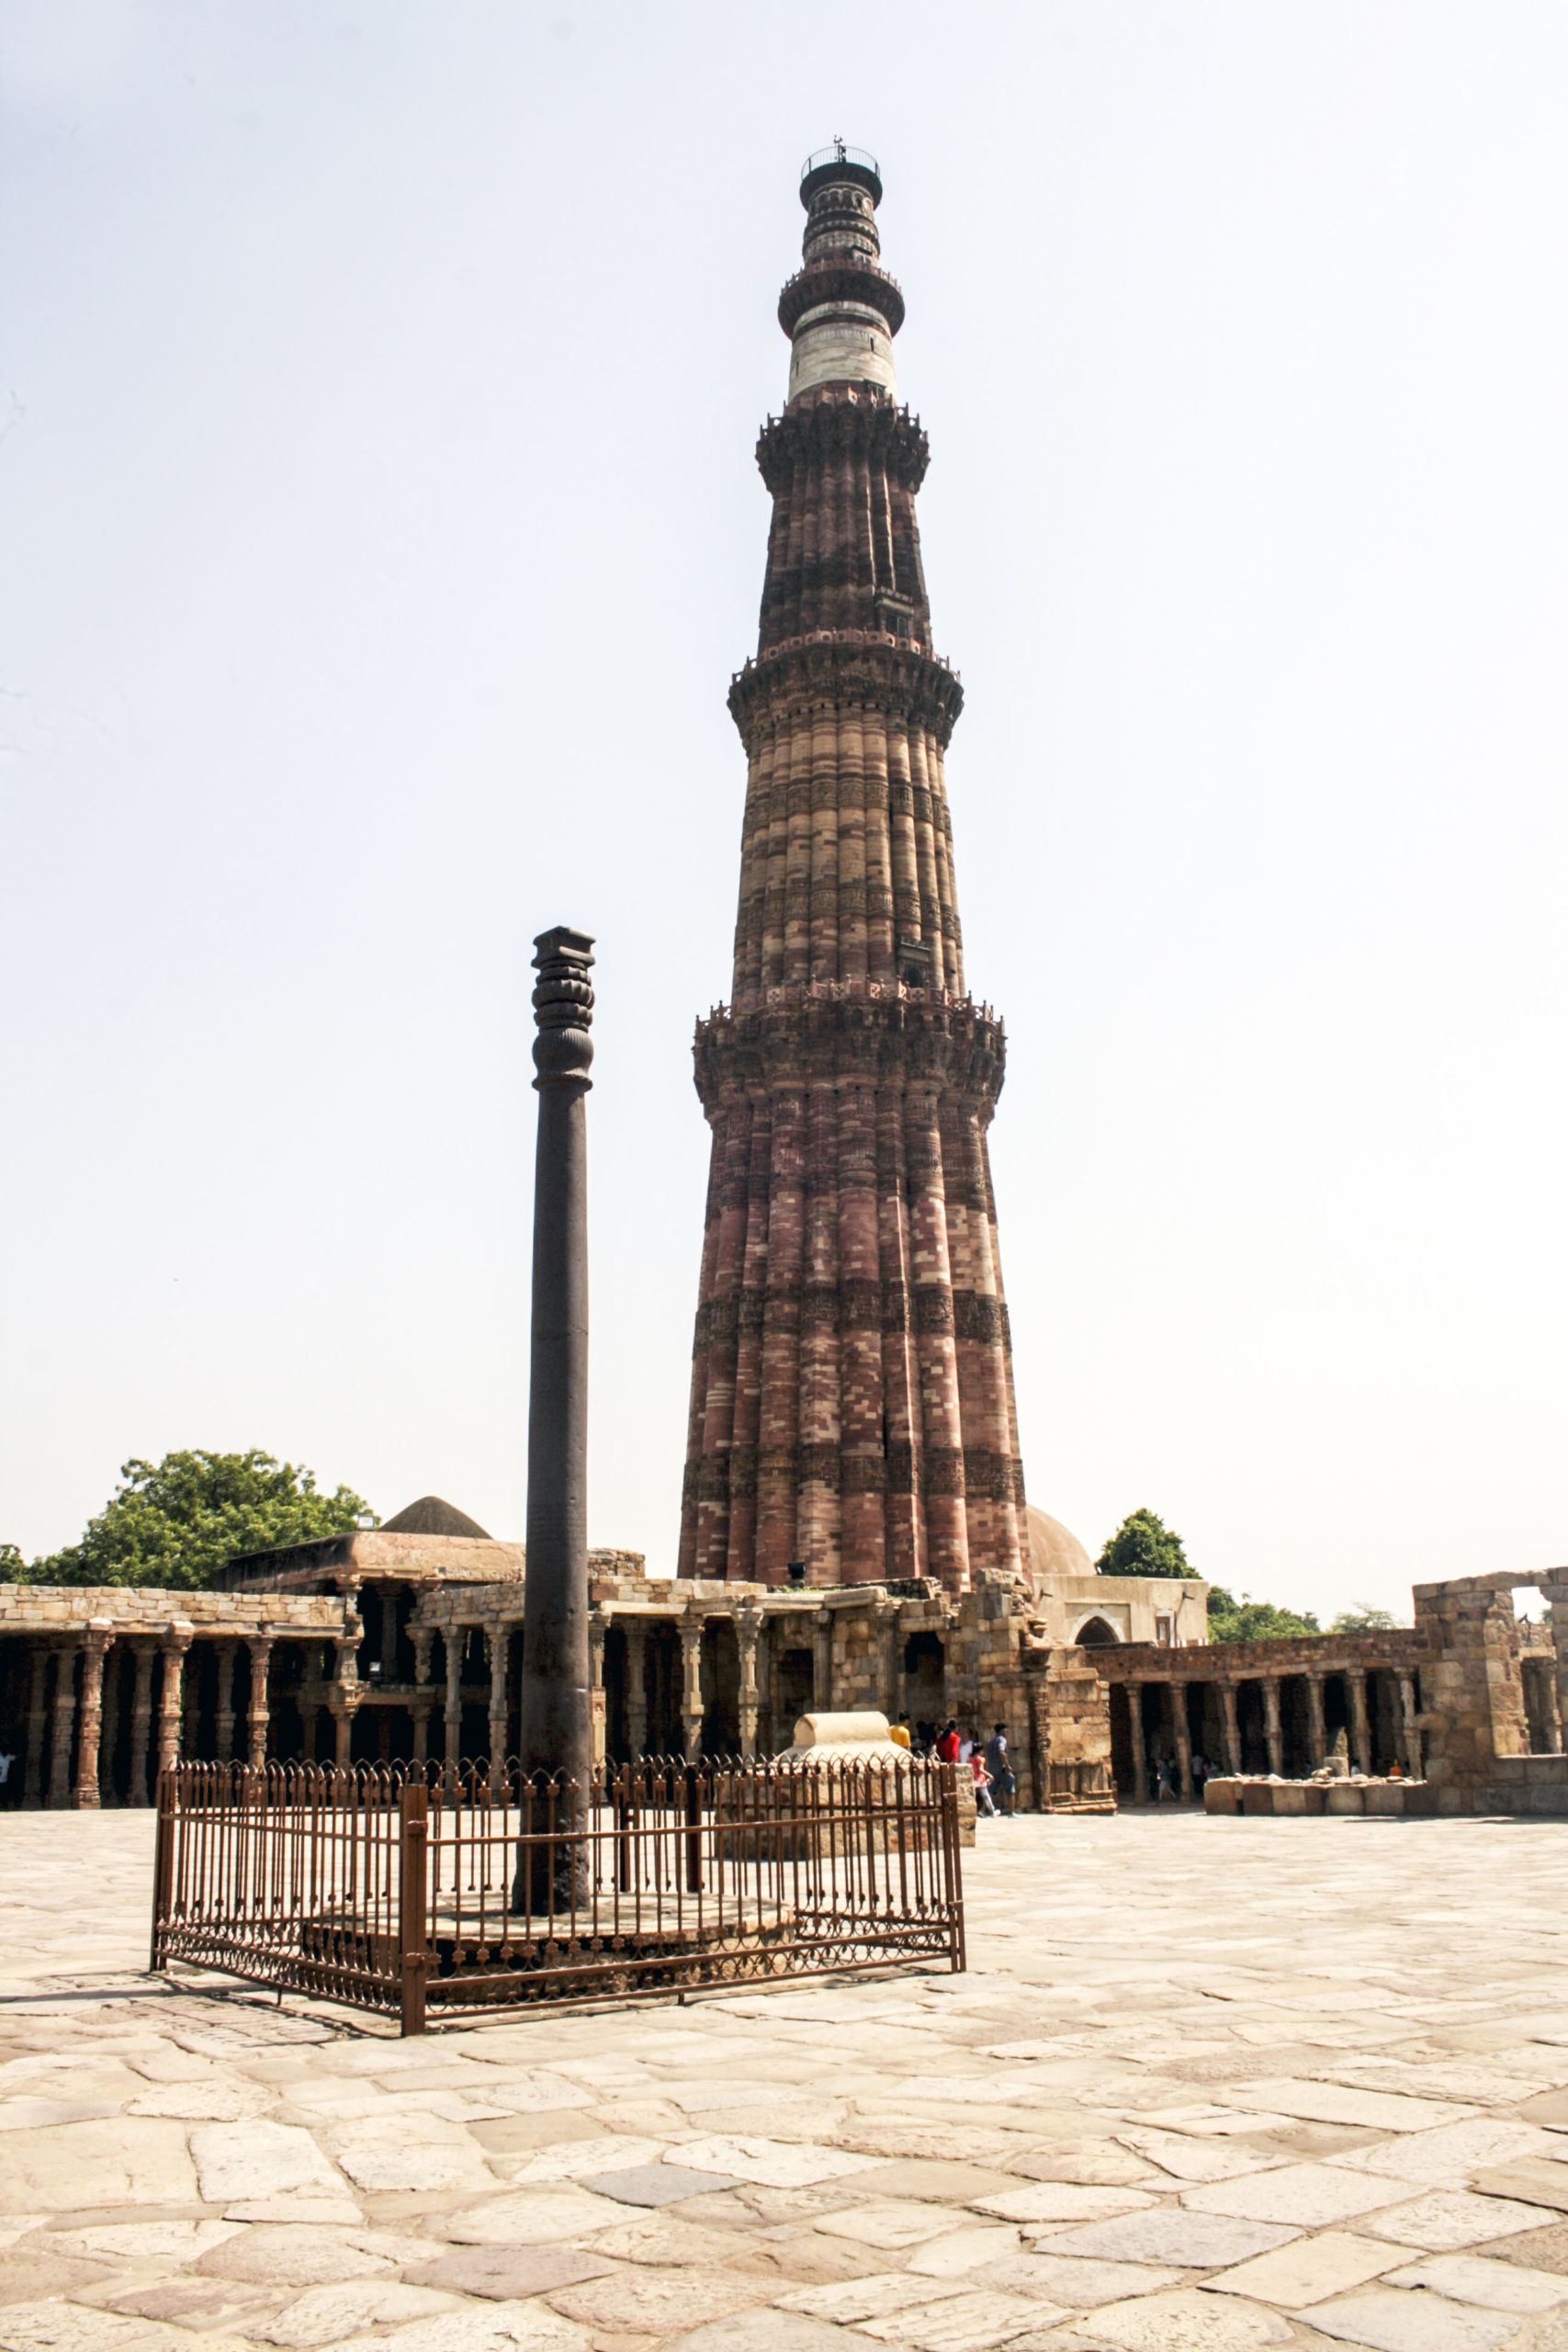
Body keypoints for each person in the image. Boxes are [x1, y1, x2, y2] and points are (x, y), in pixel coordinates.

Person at [984, 1724, 1015, 1816]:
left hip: (992, 1769)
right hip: (1001, 1769)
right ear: (1002, 1730)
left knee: (990, 1790)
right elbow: (1001, 1752)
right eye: (1005, 1730)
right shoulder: (1001, 1739)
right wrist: (1007, 1766)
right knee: (1011, 1787)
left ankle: (982, 1810)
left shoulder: (990, 1741)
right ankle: (1012, 1812)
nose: (1006, 1732)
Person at [970, 1747, 998, 1817]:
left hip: (973, 1780)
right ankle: (992, 1811)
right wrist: (990, 1775)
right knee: (986, 1797)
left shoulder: (970, 1759)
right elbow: (981, 1769)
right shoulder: (981, 1759)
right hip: (980, 1780)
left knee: (972, 1797)